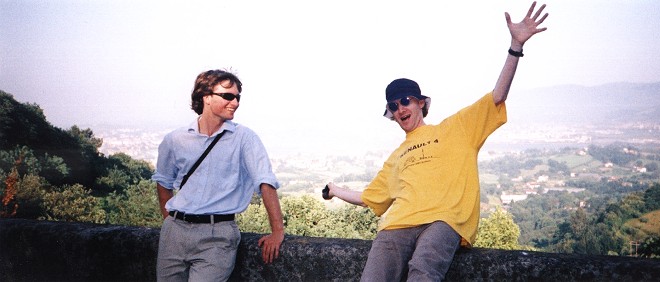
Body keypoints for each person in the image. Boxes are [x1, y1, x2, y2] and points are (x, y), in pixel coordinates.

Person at [322, 2, 549, 281]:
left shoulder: (457, 128)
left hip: (443, 220)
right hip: (397, 224)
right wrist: (334, 189)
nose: (401, 109)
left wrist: (515, 46)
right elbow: (370, 198)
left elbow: (497, 96)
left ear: (420, 103)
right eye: (394, 106)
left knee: (423, 271)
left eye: (405, 101)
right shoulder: (396, 156)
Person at [152, 69, 284, 282]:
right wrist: (170, 222)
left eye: (237, 97)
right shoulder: (175, 140)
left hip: (217, 235)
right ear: (206, 97)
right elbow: (163, 182)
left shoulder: (244, 139)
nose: (235, 102)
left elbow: (265, 181)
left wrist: (277, 231)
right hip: (174, 233)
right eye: (228, 96)